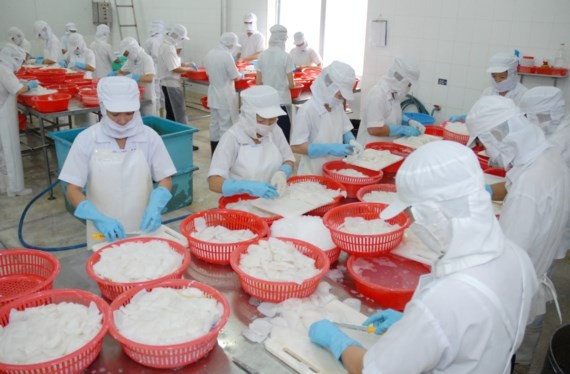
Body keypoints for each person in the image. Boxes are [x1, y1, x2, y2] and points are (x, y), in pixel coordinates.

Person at [309, 140, 538, 374]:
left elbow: (373, 371)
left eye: (412, 215)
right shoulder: (517, 257)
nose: (410, 223)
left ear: (432, 215)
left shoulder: (443, 301)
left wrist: (337, 342)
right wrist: (412, 325)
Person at [465, 95, 570, 369]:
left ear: (499, 134)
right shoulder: (549, 157)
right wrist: (483, 191)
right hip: (536, 271)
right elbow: (514, 187)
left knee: (497, 355)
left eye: (484, 141)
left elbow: (504, 261)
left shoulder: (530, 187)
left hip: (512, 292)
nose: (486, 149)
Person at [58, 77, 177, 249]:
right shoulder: (87, 139)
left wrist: (156, 205)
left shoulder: (149, 137)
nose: (122, 120)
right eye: (115, 114)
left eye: (129, 113)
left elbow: (165, 178)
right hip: (103, 230)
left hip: (144, 224)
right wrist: (99, 219)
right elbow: (72, 189)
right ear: (103, 107)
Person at [208, 85, 295, 199]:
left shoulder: (275, 130)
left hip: (272, 200)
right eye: (261, 120)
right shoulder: (232, 138)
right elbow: (214, 182)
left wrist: (283, 172)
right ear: (248, 115)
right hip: (241, 205)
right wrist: (246, 186)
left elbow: (289, 159)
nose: (267, 125)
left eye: (272, 119)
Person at [290, 61, 357, 176]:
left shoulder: (336, 106)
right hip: (313, 173)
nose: (340, 100)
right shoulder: (307, 111)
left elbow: (345, 129)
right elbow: (296, 146)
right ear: (329, 87)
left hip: (335, 170)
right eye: (339, 96)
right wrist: (328, 149)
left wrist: (351, 140)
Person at [356, 56, 423, 145]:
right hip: (370, 149)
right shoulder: (377, 95)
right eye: (409, 84)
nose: (409, 88)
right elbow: (374, 129)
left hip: (385, 147)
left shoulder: (394, 93)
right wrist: (402, 129)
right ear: (401, 80)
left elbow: (390, 114)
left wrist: (408, 121)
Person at [0, 44, 37, 197]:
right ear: (13, 58)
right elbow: (17, 89)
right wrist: (29, 86)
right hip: (3, 116)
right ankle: (15, 188)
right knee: (10, 151)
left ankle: (4, 186)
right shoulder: (4, 70)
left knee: (2, 152)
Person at [449, 52, 527, 122]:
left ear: (513, 74)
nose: (497, 80)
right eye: (494, 76)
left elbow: (524, 122)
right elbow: (479, 114)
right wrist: (466, 118)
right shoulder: (488, 92)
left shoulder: (523, 94)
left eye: (502, 77)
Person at [256, 24, 295, 142]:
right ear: (283, 40)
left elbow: (258, 82)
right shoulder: (285, 56)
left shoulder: (262, 55)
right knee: (282, 136)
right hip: (281, 101)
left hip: (267, 101)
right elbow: (292, 84)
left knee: (268, 135)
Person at [204, 32, 241, 154]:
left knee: (214, 123)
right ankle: (225, 154)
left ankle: (215, 152)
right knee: (226, 124)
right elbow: (235, 76)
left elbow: (208, 72)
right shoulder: (226, 56)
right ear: (231, 44)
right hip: (224, 95)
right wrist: (241, 74)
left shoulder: (210, 53)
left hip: (213, 93)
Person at [157, 24, 194, 126]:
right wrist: (190, 70)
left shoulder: (167, 45)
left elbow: (172, 63)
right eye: (181, 38)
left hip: (167, 84)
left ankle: (172, 130)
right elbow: (175, 69)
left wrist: (185, 64)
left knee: (171, 111)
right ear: (177, 36)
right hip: (171, 85)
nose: (181, 41)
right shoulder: (168, 47)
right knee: (177, 112)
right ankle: (179, 131)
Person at [116, 37, 156, 116]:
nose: (126, 56)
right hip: (135, 96)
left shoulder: (146, 59)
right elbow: (121, 72)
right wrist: (117, 75)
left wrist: (134, 77)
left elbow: (150, 78)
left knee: (147, 121)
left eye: (126, 53)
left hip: (147, 97)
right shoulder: (130, 60)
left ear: (133, 49)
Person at [143, 20, 166, 116]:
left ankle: (155, 114)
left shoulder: (150, 41)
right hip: (164, 70)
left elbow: (145, 56)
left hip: (153, 69)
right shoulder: (165, 40)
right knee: (163, 94)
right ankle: (163, 115)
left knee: (155, 93)